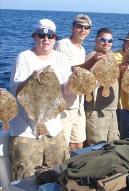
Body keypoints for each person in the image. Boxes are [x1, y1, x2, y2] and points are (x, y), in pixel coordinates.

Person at [9, 19, 72, 180]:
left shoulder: (61, 59)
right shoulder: (24, 57)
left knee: (58, 175)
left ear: (55, 39)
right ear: (34, 37)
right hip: (25, 131)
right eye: (41, 35)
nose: (46, 39)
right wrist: (33, 77)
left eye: (50, 36)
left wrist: (75, 83)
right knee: (26, 180)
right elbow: (17, 91)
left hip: (54, 129)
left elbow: (65, 92)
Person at [54, 14, 92, 151]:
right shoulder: (61, 45)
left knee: (78, 144)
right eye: (79, 26)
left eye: (86, 27)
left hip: (78, 105)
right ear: (72, 27)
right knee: (62, 147)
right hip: (63, 105)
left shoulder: (82, 50)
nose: (83, 30)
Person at [84, 28, 120, 145]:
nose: (106, 43)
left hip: (112, 111)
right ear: (96, 41)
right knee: (98, 148)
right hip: (96, 111)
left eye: (110, 41)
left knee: (113, 145)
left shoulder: (111, 56)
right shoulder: (92, 57)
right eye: (103, 39)